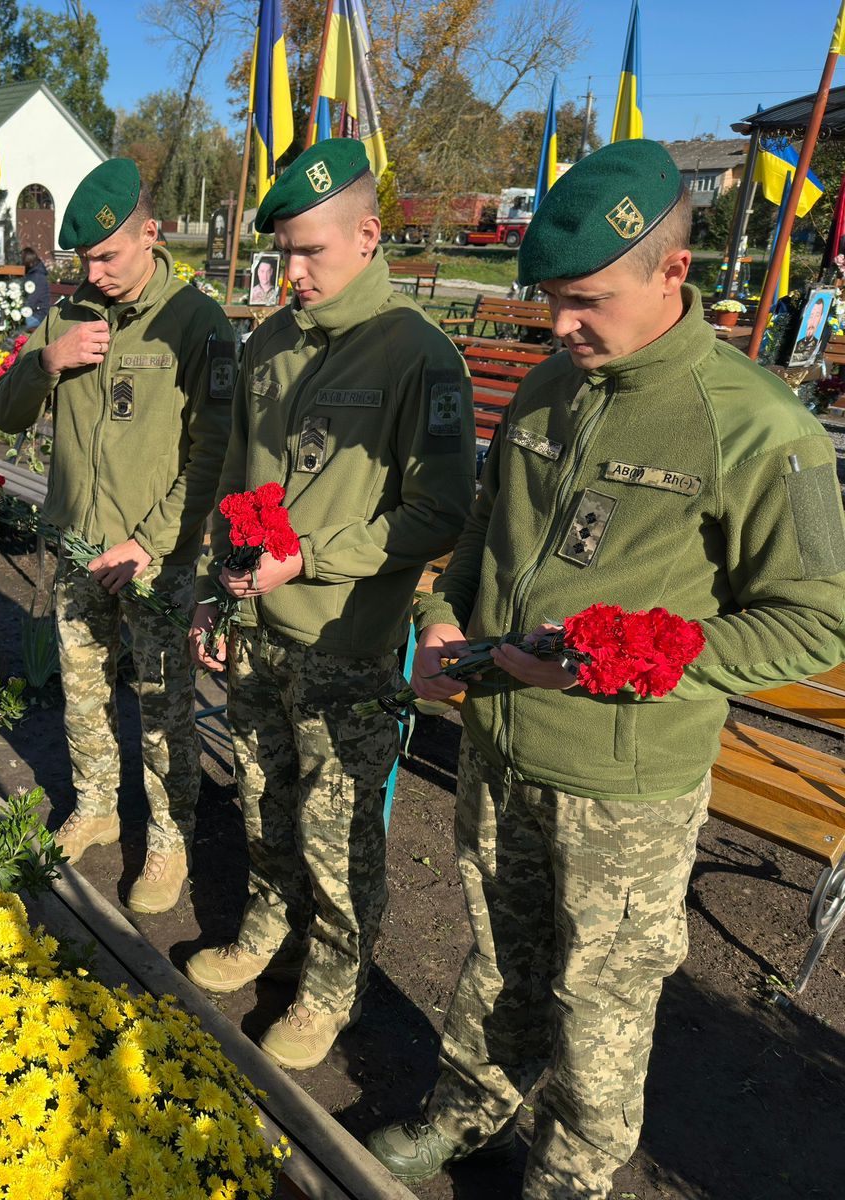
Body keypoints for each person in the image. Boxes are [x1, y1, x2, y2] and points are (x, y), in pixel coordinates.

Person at [365, 139, 845, 1199]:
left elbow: (817, 624)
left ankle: (572, 1175)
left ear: (673, 272)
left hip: (622, 786)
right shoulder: (548, 386)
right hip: (500, 740)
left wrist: (630, 666)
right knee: (495, 954)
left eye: (585, 300)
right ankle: (470, 1110)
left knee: (602, 1001)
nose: (558, 325)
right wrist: (443, 623)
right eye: (549, 301)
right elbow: (487, 529)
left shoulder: (764, 429)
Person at [185, 138, 476, 1070]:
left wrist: (311, 557)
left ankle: (334, 981)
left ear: (368, 235)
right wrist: (211, 593)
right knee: (267, 803)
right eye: (283, 252)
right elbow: (239, 481)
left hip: (347, 644)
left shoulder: (418, 357)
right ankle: (268, 929)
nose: (292, 272)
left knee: (340, 828)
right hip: (259, 632)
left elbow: (438, 511)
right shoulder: (269, 341)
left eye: (311, 251)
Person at [0, 157, 237, 913]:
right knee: (84, 688)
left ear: (151, 235)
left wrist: (153, 542)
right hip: (76, 545)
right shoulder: (66, 315)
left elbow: (215, 453)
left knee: (166, 706)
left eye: (109, 255)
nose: (95, 272)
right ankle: (97, 805)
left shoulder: (196, 323)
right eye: (84, 260)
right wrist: (45, 361)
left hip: (153, 559)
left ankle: (168, 838)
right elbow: (6, 413)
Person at [20, 246, 51, 330]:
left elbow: (31, 301)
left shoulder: (37, 277)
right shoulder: (31, 274)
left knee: (15, 326)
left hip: (38, 315)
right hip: (31, 313)